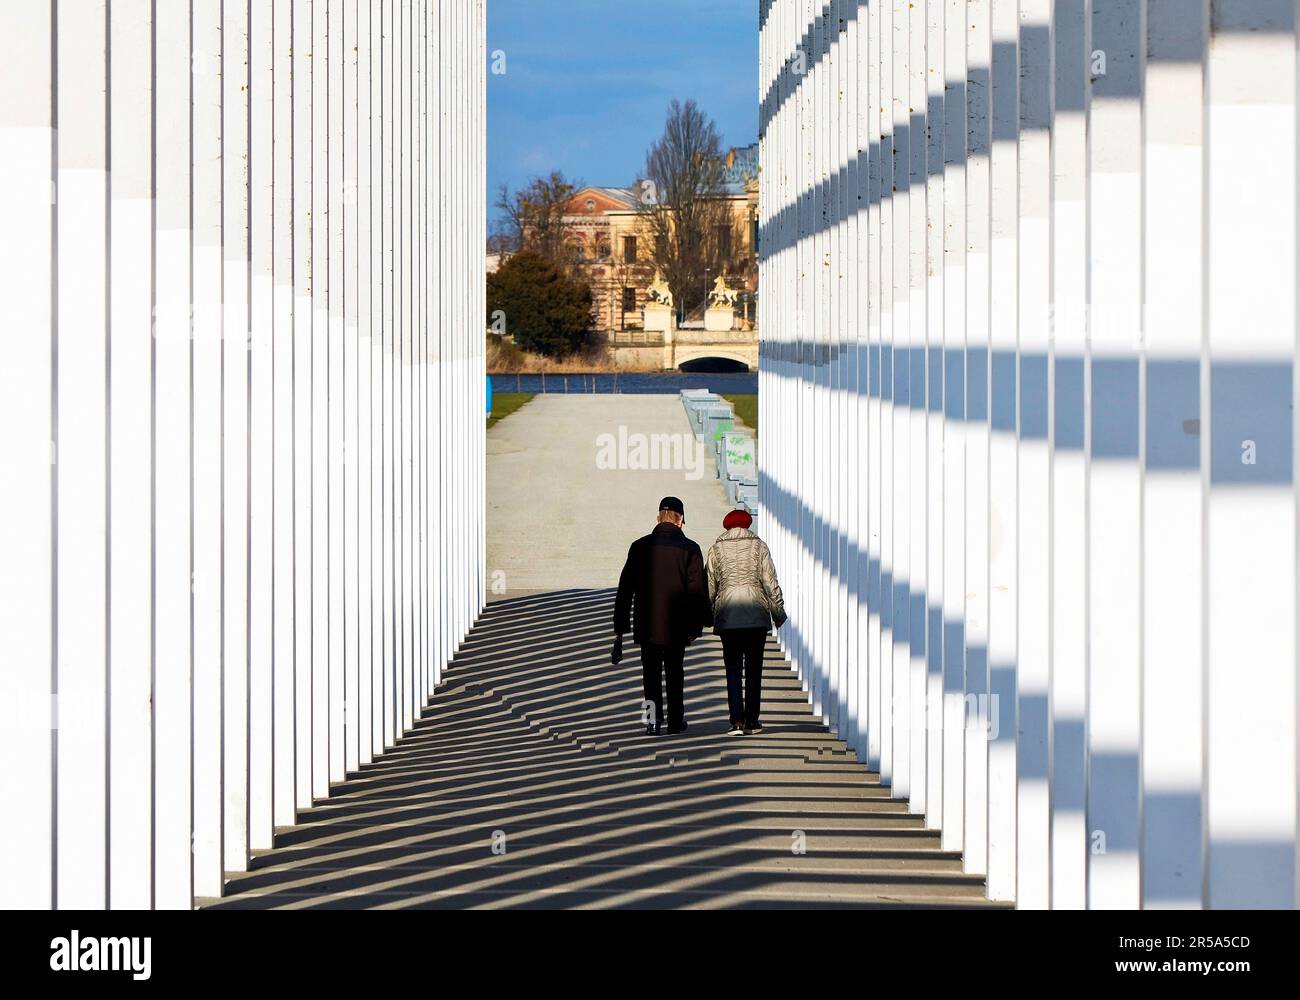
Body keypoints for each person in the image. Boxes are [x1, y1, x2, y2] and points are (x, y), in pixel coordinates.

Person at [613, 496, 712, 736]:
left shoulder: (639, 546)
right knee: (675, 673)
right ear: (680, 521)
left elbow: (625, 588)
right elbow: (697, 590)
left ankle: (652, 722)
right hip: (677, 625)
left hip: (647, 624)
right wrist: (701, 621)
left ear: (658, 518)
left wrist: (620, 627)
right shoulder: (690, 549)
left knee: (650, 675)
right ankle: (676, 722)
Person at [705, 508, 787, 736]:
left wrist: (708, 615)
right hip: (755, 617)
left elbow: (710, 586)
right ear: (748, 524)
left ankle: (737, 722)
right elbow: (770, 583)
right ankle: (752, 720)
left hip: (729, 618)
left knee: (732, 670)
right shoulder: (759, 547)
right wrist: (778, 613)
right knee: (753, 670)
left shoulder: (716, 549)